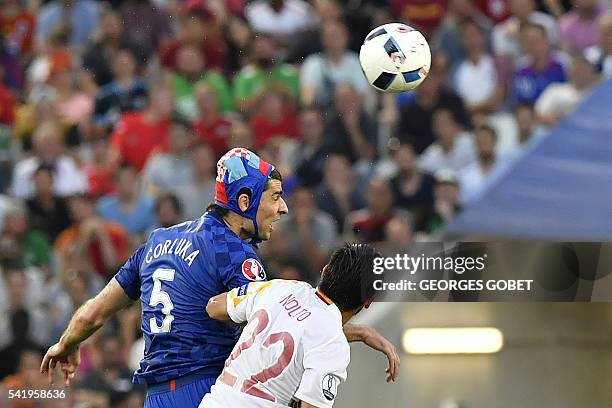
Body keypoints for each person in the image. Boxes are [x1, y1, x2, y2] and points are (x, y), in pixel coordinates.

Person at [41, 148, 397, 408]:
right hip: (208, 392)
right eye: (274, 197)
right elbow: (276, 334)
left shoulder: (158, 241)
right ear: (244, 201)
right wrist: (351, 332)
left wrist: (67, 344)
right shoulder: (238, 257)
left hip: (155, 399)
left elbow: (92, 314)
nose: (283, 209)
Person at [201, 243, 399, 408]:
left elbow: (214, 307)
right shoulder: (332, 344)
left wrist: (361, 332)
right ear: (368, 302)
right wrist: (358, 332)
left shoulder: (279, 288)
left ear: (326, 271)